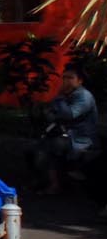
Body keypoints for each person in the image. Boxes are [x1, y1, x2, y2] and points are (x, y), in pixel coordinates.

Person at [30, 65, 98, 196]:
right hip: (66, 135)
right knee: (37, 147)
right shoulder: (65, 96)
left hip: (82, 138)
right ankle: (43, 181)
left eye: (70, 78)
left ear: (80, 80)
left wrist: (60, 99)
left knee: (51, 146)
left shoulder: (84, 96)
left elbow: (70, 114)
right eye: (64, 77)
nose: (66, 81)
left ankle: (54, 185)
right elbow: (50, 114)